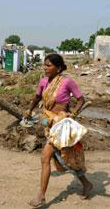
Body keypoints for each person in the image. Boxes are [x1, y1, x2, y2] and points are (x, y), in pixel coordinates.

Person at [24, 54, 93, 208]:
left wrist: (72, 113)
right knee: (64, 157)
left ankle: (41, 196)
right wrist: (29, 110)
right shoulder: (43, 81)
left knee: (45, 158)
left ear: (59, 67)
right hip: (49, 124)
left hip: (61, 126)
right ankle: (86, 183)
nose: (45, 68)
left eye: (48, 65)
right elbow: (36, 98)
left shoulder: (67, 81)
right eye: (44, 65)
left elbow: (81, 99)